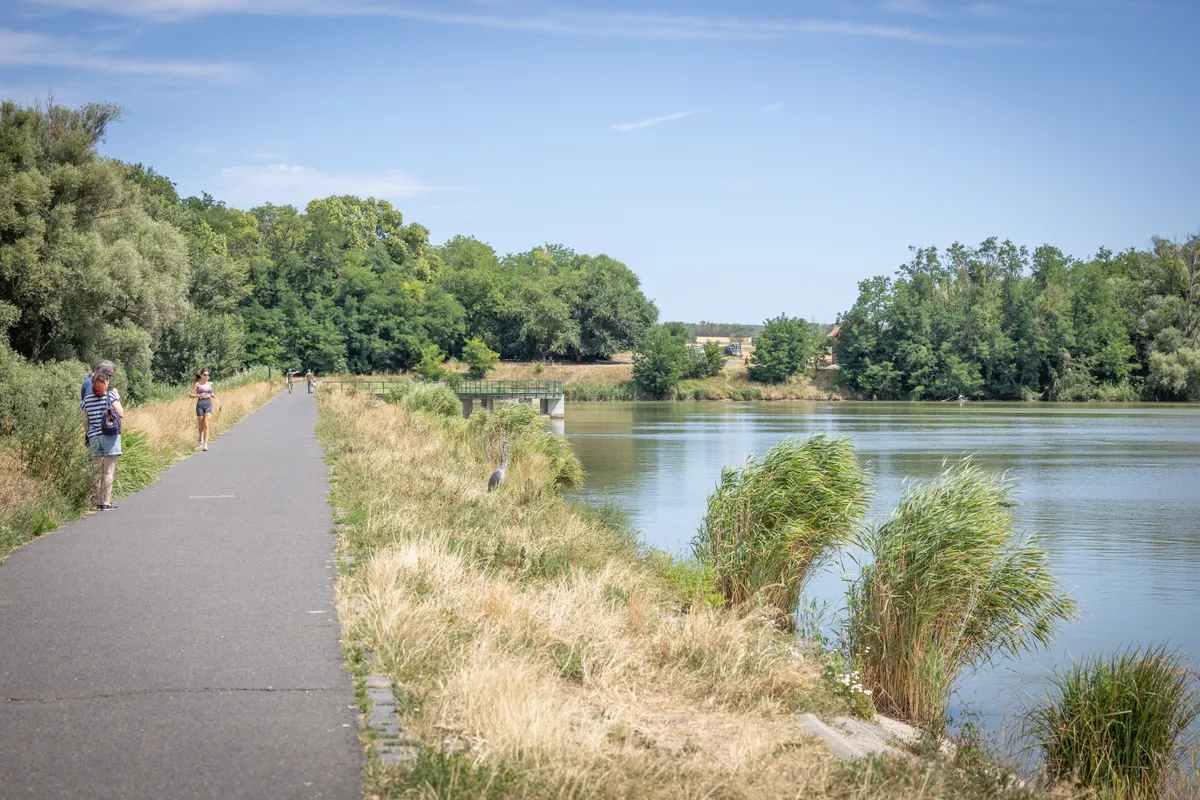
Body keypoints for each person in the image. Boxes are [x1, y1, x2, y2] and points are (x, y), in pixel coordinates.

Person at [81, 368, 124, 511]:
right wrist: (117, 397)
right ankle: (106, 502)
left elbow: (85, 421)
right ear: (105, 382)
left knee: (97, 472)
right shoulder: (110, 397)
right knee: (108, 472)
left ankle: (98, 502)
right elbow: (121, 413)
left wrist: (89, 434)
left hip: (93, 437)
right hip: (110, 436)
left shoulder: (86, 400)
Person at [190, 369, 216, 451]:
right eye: (205, 375)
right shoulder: (197, 384)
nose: (206, 376)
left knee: (206, 424)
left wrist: (214, 396)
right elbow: (190, 395)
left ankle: (205, 444)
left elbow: (211, 393)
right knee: (201, 425)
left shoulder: (210, 384)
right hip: (200, 405)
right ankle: (200, 434)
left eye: (207, 375)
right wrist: (198, 395)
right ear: (201, 375)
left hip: (208, 405)